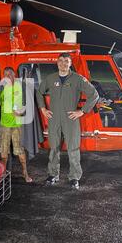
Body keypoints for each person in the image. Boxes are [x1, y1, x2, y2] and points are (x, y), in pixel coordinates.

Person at [36, 53, 99, 190]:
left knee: (73, 149)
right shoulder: (51, 78)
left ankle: (74, 177)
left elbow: (94, 94)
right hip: (54, 119)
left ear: (70, 63)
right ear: (57, 63)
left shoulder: (77, 79)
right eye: (61, 61)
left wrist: (82, 111)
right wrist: (43, 109)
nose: (63, 63)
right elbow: (39, 92)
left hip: (70, 119)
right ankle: (53, 175)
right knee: (54, 148)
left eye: (66, 61)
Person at [0, 67, 32, 183]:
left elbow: (27, 103)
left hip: (18, 124)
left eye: (10, 74)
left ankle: (25, 172)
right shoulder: (1, 88)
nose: (8, 76)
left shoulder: (21, 87)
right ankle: (3, 173)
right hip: (5, 124)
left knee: (20, 150)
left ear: (14, 75)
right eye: (6, 74)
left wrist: (21, 111)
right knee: (4, 150)